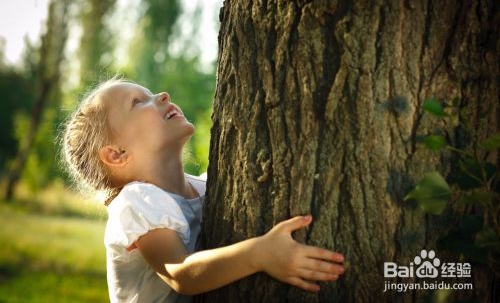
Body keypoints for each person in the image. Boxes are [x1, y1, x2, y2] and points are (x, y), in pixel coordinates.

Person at [60, 78, 345, 303]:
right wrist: (259, 254)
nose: (161, 95)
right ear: (117, 154)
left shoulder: (207, 186)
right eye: (138, 102)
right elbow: (181, 273)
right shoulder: (135, 204)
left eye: (149, 93)